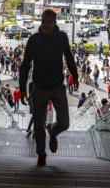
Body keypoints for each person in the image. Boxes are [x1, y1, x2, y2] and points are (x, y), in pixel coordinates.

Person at [20, 9, 79, 166]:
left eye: (49, 22)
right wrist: (23, 88)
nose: (45, 25)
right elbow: (25, 65)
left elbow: (69, 57)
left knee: (65, 123)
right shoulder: (34, 40)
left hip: (58, 87)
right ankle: (41, 154)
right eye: (43, 21)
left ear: (54, 23)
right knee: (38, 126)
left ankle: (52, 131)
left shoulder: (62, 37)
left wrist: (75, 76)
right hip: (39, 88)